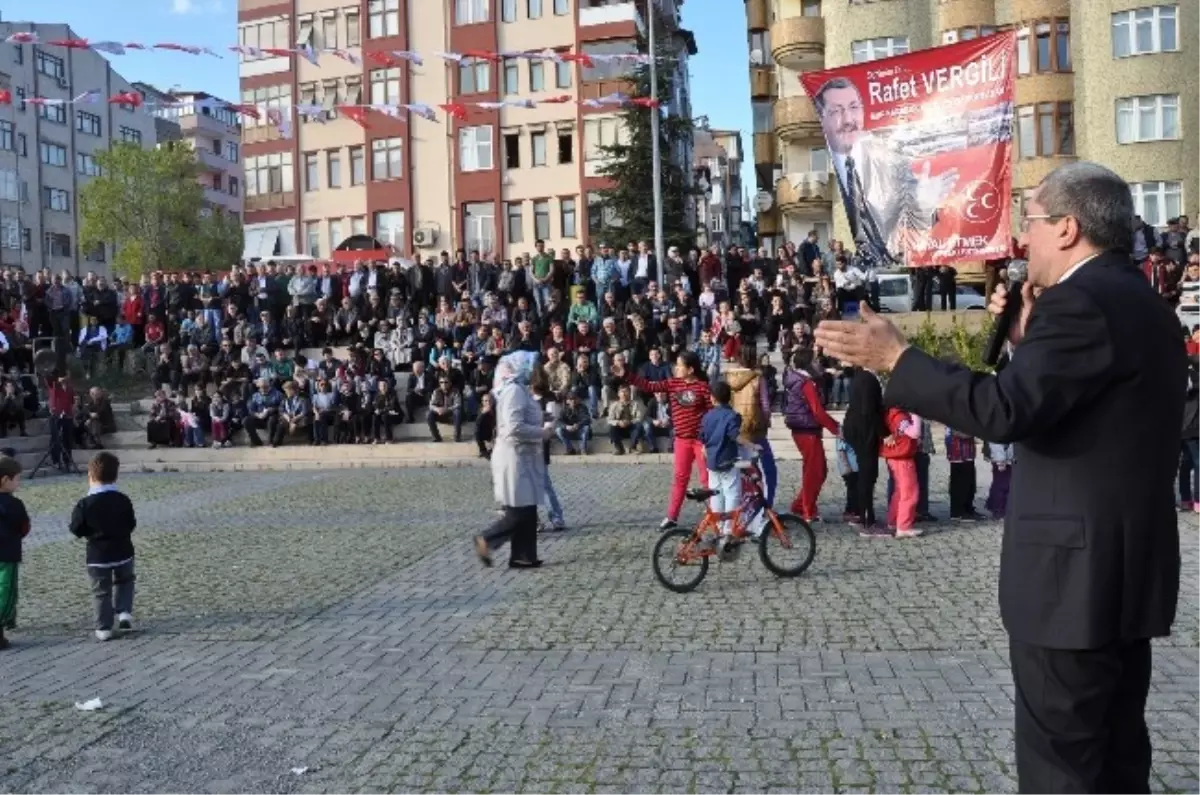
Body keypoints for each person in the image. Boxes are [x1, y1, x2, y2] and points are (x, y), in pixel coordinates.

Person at [814, 161, 1184, 794]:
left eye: (1031, 221)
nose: (1022, 239)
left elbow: (1002, 412)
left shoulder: (1080, 301)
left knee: (1062, 771)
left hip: (1072, 587)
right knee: (1118, 759)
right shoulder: (1143, 303)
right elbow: (1065, 405)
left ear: (1067, 228)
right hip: (1127, 573)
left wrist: (898, 359)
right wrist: (1024, 344)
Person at [612, 351, 712, 530]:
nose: (676, 368)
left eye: (680, 365)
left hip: (700, 441)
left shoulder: (703, 387)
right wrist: (626, 375)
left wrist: (707, 440)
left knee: (707, 479)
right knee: (680, 478)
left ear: (690, 369)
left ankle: (714, 512)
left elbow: (711, 414)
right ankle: (672, 516)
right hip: (681, 440)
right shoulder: (672, 383)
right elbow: (649, 386)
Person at [473, 351, 549, 569]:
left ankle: (523, 556)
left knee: (528, 508)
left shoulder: (519, 390)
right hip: (514, 457)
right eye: (534, 366)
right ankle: (486, 539)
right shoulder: (514, 390)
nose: (537, 370)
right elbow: (514, 427)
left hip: (522, 456)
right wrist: (541, 432)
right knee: (520, 510)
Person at [69, 452, 139, 642]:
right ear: (116, 476)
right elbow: (131, 523)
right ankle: (124, 613)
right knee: (125, 581)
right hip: (123, 550)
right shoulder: (123, 499)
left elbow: (76, 528)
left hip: (98, 555)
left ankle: (104, 627)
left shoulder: (85, 504)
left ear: (90, 476)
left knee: (101, 591)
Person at [780, 349, 840, 521]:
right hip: (807, 430)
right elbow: (817, 411)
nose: (818, 363)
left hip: (800, 428)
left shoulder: (795, 380)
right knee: (816, 471)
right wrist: (836, 429)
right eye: (814, 360)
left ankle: (801, 504)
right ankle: (808, 509)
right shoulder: (806, 383)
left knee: (814, 469)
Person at [724, 348, 778, 508]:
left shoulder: (729, 378)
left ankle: (742, 507)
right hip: (754, 428)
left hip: (736, 429)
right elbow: (765, 404)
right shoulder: (757, 378)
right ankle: (765, 506)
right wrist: (767, 421)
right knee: (768, 470)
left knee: (742, 471)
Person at [699, 382, 742, 544]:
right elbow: (734, 436)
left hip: (712, 461)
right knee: (732, 493)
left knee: (715, 494)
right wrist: (751, 445)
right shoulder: (732, 416)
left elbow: (702, 437)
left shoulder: (707, 416)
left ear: (712, 398)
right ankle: (729, 529)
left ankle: (717, 526)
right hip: (728, 460)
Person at [0, 456, 29, 650]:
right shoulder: (14, 505)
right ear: (5, 480)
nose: (18, 483)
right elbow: (24, 527)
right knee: (6, 590)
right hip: (7, 553)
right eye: (17, 479)